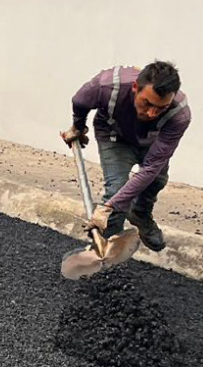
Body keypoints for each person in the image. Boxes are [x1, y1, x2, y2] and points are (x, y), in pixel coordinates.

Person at [61, 61, 191, 252]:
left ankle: (140, 214)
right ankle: (106, 246)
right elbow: (79, 102)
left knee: (156, 181)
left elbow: (151, 168)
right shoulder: (105, 87)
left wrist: (107, 207)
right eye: (147, 103)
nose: (151, 113)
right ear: (135, 88)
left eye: (160, 108)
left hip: (151, 142)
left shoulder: (179, 114)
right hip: (115, 137)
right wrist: (78, 128)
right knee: (116, 189)